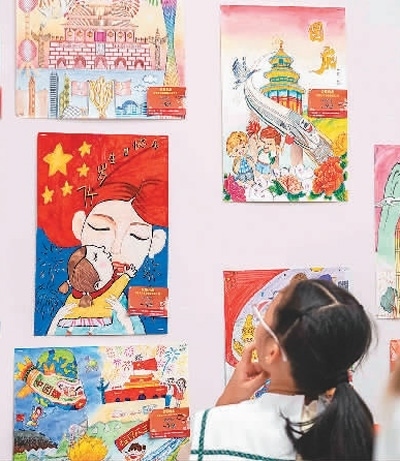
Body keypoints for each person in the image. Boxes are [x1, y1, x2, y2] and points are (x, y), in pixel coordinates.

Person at [188, 279, 375, 461]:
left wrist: (225, 406)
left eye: (264, 315)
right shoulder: (357, 433)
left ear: (272, 352)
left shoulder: (214, 429)